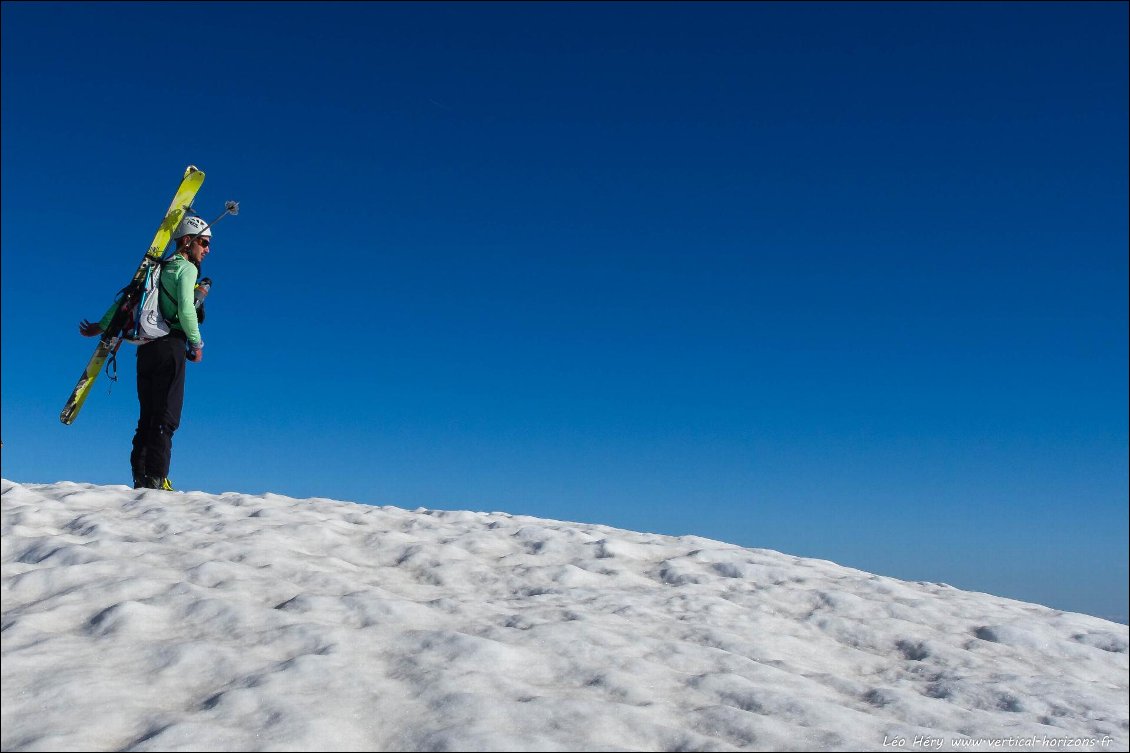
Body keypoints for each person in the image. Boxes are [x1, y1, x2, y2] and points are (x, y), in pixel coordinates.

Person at [78, 215, 211, 490]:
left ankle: (141, 477)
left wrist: (101, 326)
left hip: (145, 350)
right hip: (170, 345)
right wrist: (195, 344)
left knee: (147, 416)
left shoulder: (155, 269)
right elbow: (186, 308)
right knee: (167, 415)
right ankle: (156, 477)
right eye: (204, 243)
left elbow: (127, 300)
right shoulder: (186, 269)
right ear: (187, 241)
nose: (207, 249)